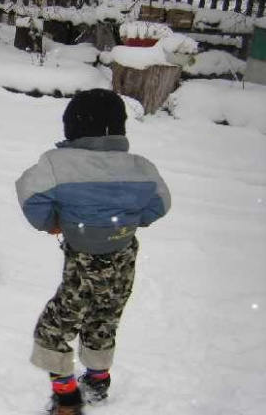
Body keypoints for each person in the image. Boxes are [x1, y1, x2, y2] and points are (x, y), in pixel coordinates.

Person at [15, 89, 171, 414]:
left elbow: (31, 198)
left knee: (53, 329)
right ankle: (98, 382)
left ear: (71, 127)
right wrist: (127, 220)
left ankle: (68, 400)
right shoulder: (140, 167)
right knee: (104, 320)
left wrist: (54, 222)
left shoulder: (57, 163)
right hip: (124, 259)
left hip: (83, 265)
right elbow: (159, 204)